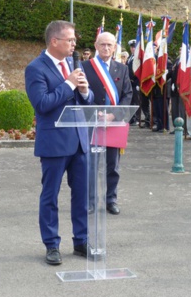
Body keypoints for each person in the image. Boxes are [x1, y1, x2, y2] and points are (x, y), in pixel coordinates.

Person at [24, 20, 94, 265]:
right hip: (54, 143)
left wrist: (84, 91)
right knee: (50, 196)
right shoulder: (36, 68)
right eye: (70, 40)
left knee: (82, 196)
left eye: (74, 40)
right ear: (55, 41)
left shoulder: (73, 65)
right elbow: (42, 104)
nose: (74, 44)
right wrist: (69, 84)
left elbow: (86, 99)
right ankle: (52, 244)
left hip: (79, 141)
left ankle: (81, 241)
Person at [81, 32, 132, 215]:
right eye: (103, 45)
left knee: (113, 165)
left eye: (110, 45)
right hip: (92, 122)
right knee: (91, 164)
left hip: (114, 124)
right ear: (96, 45)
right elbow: (81, 94)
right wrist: (97, 113)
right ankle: (90, 201)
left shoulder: (122, 68)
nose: (106, 48)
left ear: (115, 47)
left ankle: (111, 199)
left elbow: (127, 95)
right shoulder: (85, 66)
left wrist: (113, 115)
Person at [126, 39, 145, 126]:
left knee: (136, 101)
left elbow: (140, 72)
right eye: (132, 47)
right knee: (131, 101)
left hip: (135, 83)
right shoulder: (130, 58)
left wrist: (138, 83)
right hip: (129, 83)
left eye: (134, 47)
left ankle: (137, 118)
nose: (133, 49)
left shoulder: (138, 58)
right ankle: (132, 118)